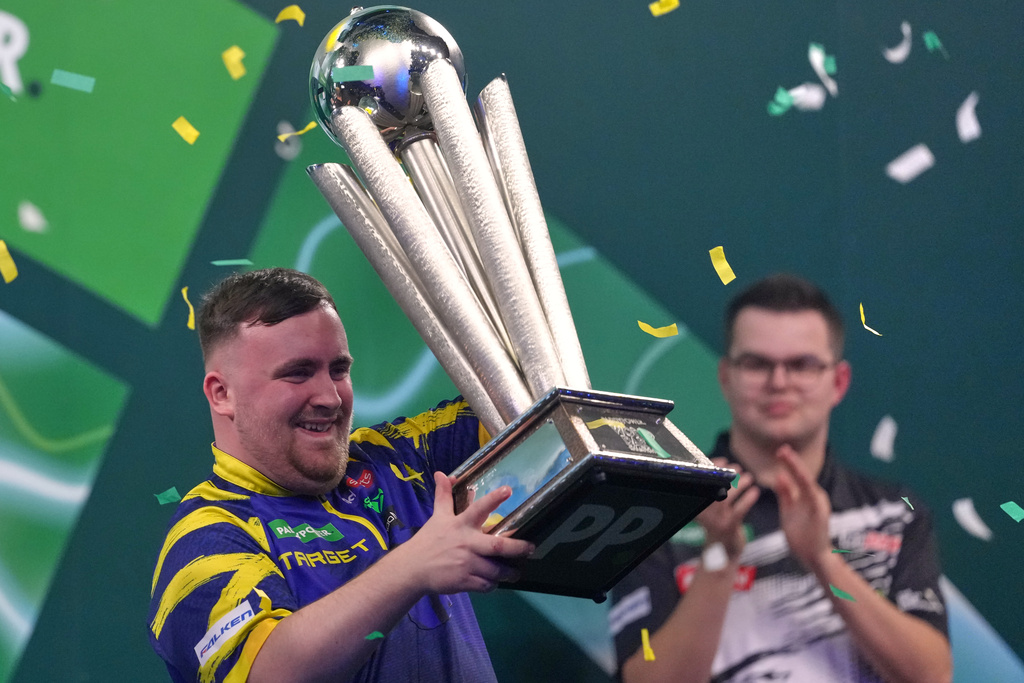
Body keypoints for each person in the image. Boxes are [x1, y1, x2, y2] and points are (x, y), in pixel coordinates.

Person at [147, 268, 533, 683]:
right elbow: (270, 673)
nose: (330, 397)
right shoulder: (204, 540)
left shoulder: (397, 458)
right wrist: (414, 566)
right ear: (222, 394)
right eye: (298, 372)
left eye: (338, 370)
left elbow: (530, 406)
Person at [608, 274, 951, 683]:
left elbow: (932, 676)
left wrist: (822, 559)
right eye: (757, 363)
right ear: (726, 377)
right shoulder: (661, 514)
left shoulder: (896, 513)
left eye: (802, 365)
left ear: (838, 382)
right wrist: (719, 557)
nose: (779, 382)